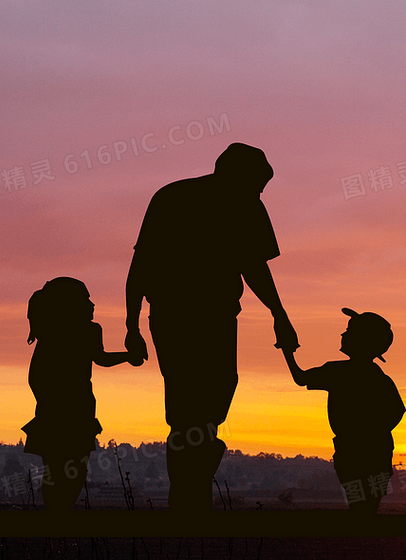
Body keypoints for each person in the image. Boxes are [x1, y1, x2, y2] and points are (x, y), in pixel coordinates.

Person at [124, 143, 299, 512]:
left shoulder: (248, 207)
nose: (259, 194)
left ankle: (195, 486)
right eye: (256, 185)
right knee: (187, 407)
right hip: (176, 317)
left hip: (219, 316)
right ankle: (187, 498)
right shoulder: (172, 198)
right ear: (231, 175)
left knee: (215, 397)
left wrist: (279, 314)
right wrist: (132, 325)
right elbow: (142, 264)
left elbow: (254, 267)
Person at [21, 277, 140, 512]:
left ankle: (58, 514)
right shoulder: (75, 332)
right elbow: (101, 358)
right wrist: (128, 356)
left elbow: (36, 377)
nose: (92, 304)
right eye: (85, 300)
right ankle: (58, 514)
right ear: (70, 305)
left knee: (67, 468)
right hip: (66, 410)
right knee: (64, 468)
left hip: (73, 409)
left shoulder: (65, 332)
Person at [284, 308, 405, 515]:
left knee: (359, 507)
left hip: (353, 451)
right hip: (373, 451)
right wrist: (375, 432)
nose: (343, 335)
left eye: (349, 331)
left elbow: (300, 378)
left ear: (361, 340)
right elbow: (397, 411)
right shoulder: (378, 378)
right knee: (365, 508)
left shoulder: (338, 373)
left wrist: (287, 350)